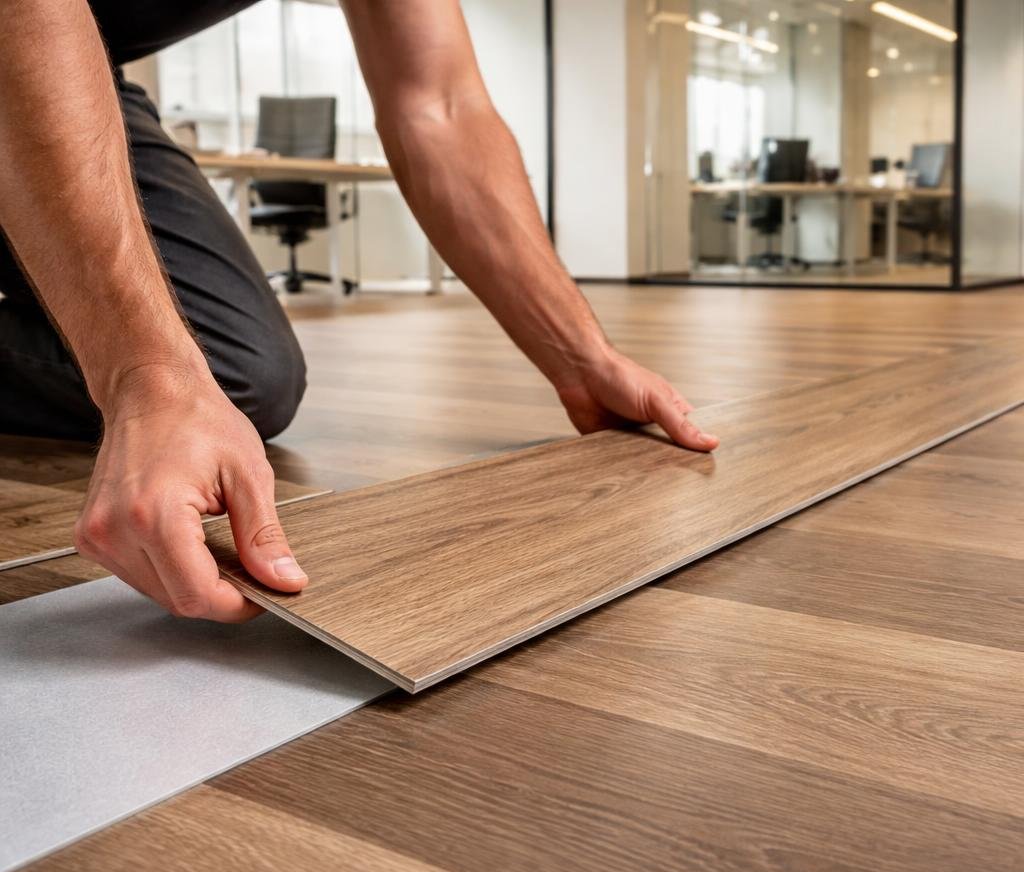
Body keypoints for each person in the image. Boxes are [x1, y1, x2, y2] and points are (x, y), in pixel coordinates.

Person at [0, 0, 719, 623]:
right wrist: (145, 382)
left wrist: (581, 356)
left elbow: (439, 105)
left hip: (83, 64)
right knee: (169, 381)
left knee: (237, 373)